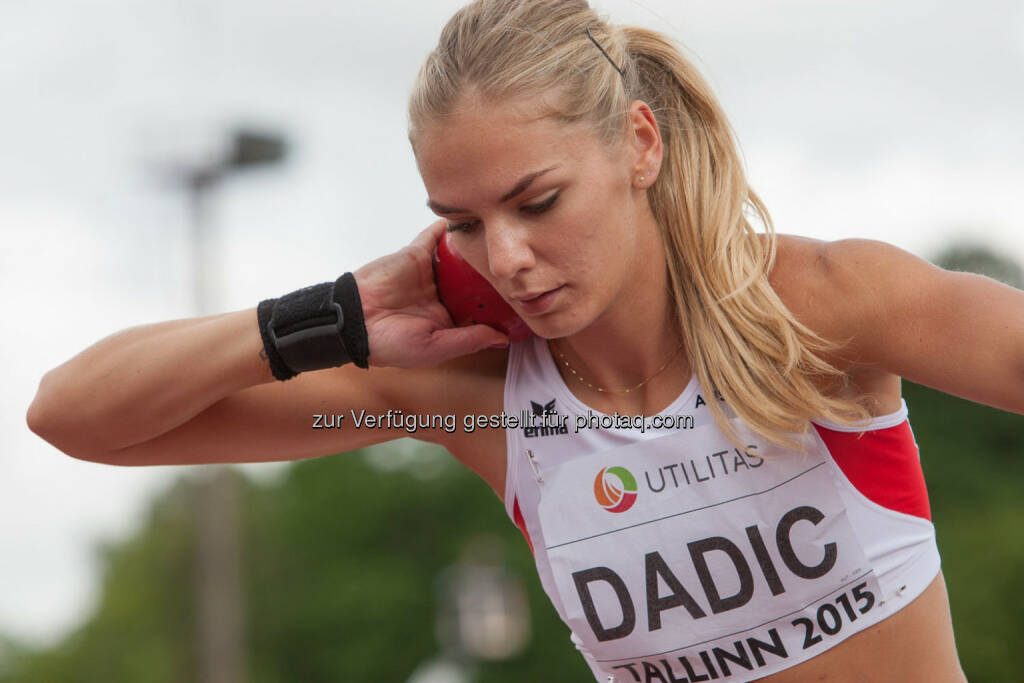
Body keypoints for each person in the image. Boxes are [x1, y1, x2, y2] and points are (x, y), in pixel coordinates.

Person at [26, 0, 1023, 680]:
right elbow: (75, 415)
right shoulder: (474, 392)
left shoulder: (820, 303)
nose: (506, 255)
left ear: (639, 144)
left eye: (537, 201)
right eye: (460, 221)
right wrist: (331, 309)